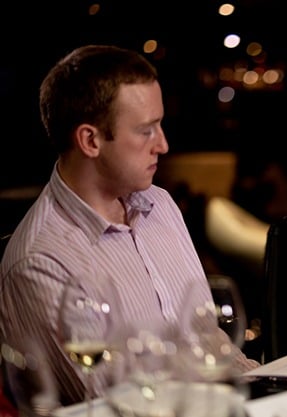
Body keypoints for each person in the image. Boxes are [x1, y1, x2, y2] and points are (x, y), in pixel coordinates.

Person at [0, 45, 259, 407]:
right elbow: (121, 403)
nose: (163, 145)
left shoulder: (160, 205)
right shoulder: (39, 262)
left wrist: (268, 388)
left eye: (160, 125)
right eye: (146, 131)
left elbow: (208, 341)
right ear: (90, 140)